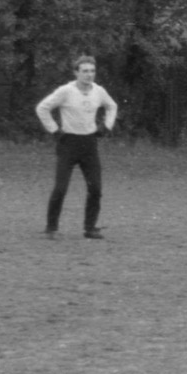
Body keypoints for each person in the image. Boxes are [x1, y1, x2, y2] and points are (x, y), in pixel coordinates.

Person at [36, 54, 118, 239]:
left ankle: (90, 228)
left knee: (95, 188)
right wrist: (55, 131)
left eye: (92, 71)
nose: (89, 75)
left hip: (89, 145)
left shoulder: (99, 91)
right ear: (76, 73)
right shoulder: (65, 91)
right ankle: (51, 228)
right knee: (60, 188)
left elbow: (112, 106)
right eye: (85, 71)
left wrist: (106, 126)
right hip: (68, 144)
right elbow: (42, 108)